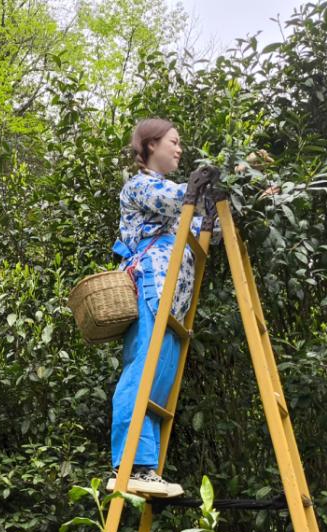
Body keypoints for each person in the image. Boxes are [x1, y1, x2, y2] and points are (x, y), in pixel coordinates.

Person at [107, 118, 214, 498]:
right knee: (143, 371)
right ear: (151, 145)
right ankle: (128, 463)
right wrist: (203, 186)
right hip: (153, 286)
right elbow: (178, 199)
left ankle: (145, 466)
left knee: (159, 383)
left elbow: (205, 224)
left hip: (175, 299)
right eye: (174, 141)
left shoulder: (173, 196)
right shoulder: (142, 186)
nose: (179, 148)